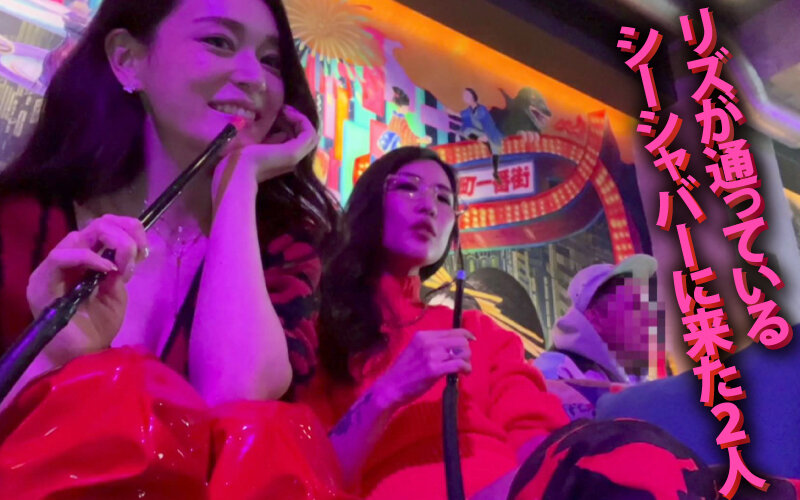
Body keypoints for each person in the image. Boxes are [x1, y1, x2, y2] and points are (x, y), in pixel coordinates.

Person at [0, 0, 349, 497]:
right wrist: (53, 353)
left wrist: (239, 180)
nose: (255, 78)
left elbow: (239, 399)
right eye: (218, 42)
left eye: (272, 61)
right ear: (127, 60)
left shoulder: (284, 251)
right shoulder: (22, 222)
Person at [299, 146, 570, 499]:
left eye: (444, 198)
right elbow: (310, 474)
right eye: (408, 187)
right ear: (370, 200)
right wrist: (388, 391)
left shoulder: (479, 331)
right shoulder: (321, 330)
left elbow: (536, 438)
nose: (429, 206)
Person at [533, 255, 658, 420]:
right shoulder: (553, 372)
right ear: (595, 316)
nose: (647, 317)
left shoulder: (630, 378)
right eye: (632, 306)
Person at [459, 88, 504, 181]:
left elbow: (488, 124)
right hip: (478, 133)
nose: (465, 97)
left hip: (488, 132)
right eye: (464, 95)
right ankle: (481, 141)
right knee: (466, 131)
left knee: (495, 149)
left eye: (467, 95)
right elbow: (462, 117)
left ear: (473, 96)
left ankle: (495, 172)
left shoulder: (481, 109)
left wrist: (487, 135)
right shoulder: (467, 111)